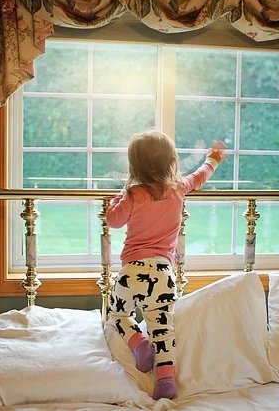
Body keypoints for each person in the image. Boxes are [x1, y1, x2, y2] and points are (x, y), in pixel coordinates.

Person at [105, 130, 227, 400]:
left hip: (131, 272)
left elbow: (114, 220)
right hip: (162, 274)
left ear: (134, 165)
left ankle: (138, 343)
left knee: (117, 315)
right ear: (171, 161)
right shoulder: (179, 188)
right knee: (163, 329)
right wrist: (214, 159)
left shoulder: (133, 194)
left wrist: (119, 196)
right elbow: (200, 176)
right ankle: (165, 381)